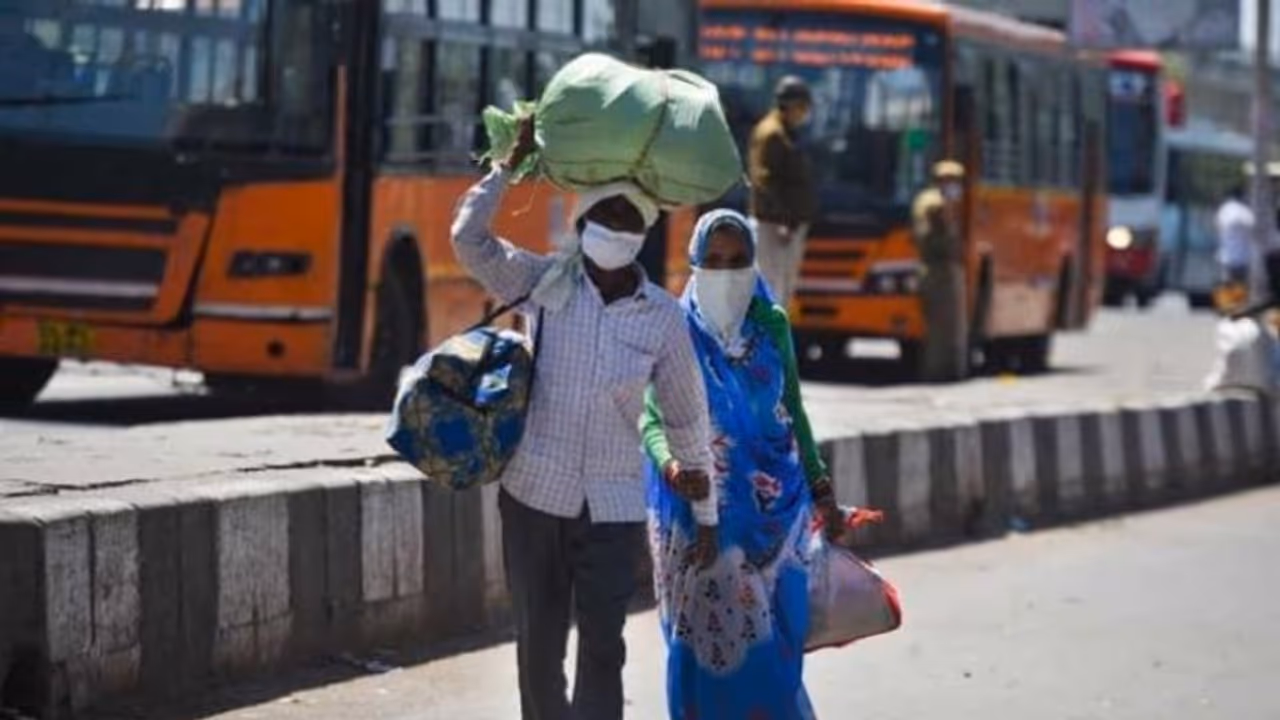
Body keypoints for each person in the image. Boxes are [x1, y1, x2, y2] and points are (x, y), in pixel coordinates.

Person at [451, 117, 717, 720]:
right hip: (533, 493)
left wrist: (706, 515)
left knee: (604, 648)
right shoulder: (544, 281)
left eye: (627, 223)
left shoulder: (663, 319)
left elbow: (686, 419)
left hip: (614, 507)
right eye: (605, 219)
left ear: (642, 234)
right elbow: (470, 240)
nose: (614, 232)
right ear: (582, 225)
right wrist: (504, 171)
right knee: (538, 650)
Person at [640, 209, 848, 720]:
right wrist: (671, 468)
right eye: (713, 261)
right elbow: (650, 418)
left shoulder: (771, 324)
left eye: (737, 260)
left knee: (774, 651)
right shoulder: (673, 329)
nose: (726, 271)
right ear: (693, 262)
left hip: (781, 516)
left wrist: (821, 487)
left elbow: (792, 406)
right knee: (705, 652)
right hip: (698, 521)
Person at [748, 75, 817, 310]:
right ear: (789, 105)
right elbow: (764, 180)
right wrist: (784, 220)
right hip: (774, 225)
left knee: (783, 290)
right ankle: (767, 344)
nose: (804, 113)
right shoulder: (772, 134)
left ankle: (777, 343)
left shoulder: (786, 132)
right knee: (771, 290)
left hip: (783, 224)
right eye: (802, 107)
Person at [911, 160, 969, 382]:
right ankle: (935, 374)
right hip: (936, 269)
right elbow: (926, 237)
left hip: (947, 269)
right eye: (951, 180)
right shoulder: (932, 203)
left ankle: (950, 371)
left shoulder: (947, 201)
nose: (955, 185)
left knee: (952, 328)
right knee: (938, 330)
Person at [1215, 184, 1255, 286]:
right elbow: (1251, 226)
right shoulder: (1243, 210)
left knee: (1228, 285)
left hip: (1228, 256)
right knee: (1239, 285)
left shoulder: (1224, 209)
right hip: (1241, 257)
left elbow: (1218, 225)